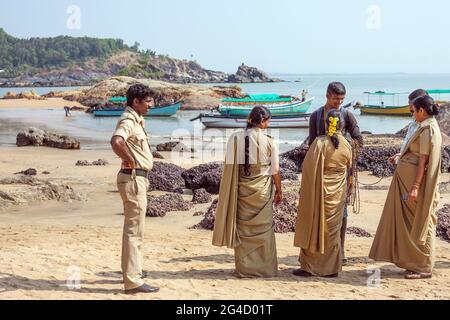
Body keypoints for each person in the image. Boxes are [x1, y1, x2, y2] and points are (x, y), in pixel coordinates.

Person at [369, 95, 442, 279]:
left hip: (413, 185)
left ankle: (424, 266)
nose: (412, 115)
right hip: (406, 182)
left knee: (420, 221)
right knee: (410, 223)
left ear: (422, 111)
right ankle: (414, 262)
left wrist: (415, 187)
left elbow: (424, 160)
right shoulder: (426, 126)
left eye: (414, 111)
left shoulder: (427, 128)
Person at [212, 106, 282, 278]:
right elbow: (275, 171)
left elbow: (230, 168)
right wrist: (279, 190)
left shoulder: (235, 139)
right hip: (262, 192)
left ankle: (245, 269)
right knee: (264, 229)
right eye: (268, 121)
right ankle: (265, 269)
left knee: (244, 229)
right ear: (264, 122)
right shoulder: (270, 141)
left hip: (242, 190)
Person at [110, 84, 159, 294]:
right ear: (136, 102)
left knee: (135, 231)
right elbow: (116, 141)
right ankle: (132, 281)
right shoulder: (128, 120)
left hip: (136, 179)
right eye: (148, 101)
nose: (152, 105)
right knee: (134, 232)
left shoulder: (137, 120)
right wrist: (130, 160)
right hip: (133, 179)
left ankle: (134, 272)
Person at [307, 82, 363, 263]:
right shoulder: (315, 116)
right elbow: (311, 145)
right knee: (318, 212)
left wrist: (341, 144)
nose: (339, 101)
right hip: (319, 172)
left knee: (342, 212)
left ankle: (341, 250)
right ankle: (322, 249)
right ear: (327, 95)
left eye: (342, 99)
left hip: (341, 173)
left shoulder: (348, 115)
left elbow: (358, 140)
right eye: (335, 98)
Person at [293, 110, 352, 277]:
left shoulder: (319, 143)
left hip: (319, 190)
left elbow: (308, 168)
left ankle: (309, 267)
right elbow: (349, 169)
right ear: (343, 125)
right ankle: (331, 268)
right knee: (333, 230)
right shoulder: (347, 145)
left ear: (326, 124)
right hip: (338, 192)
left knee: (314, 225)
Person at [389, 89, 429, 165]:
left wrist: (418, 177)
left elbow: (423, 157)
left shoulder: (425, 128)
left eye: (412, 110)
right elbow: (411, 149)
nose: (410, 111)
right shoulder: (413, 123)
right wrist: (400, 155)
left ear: (420, 109)